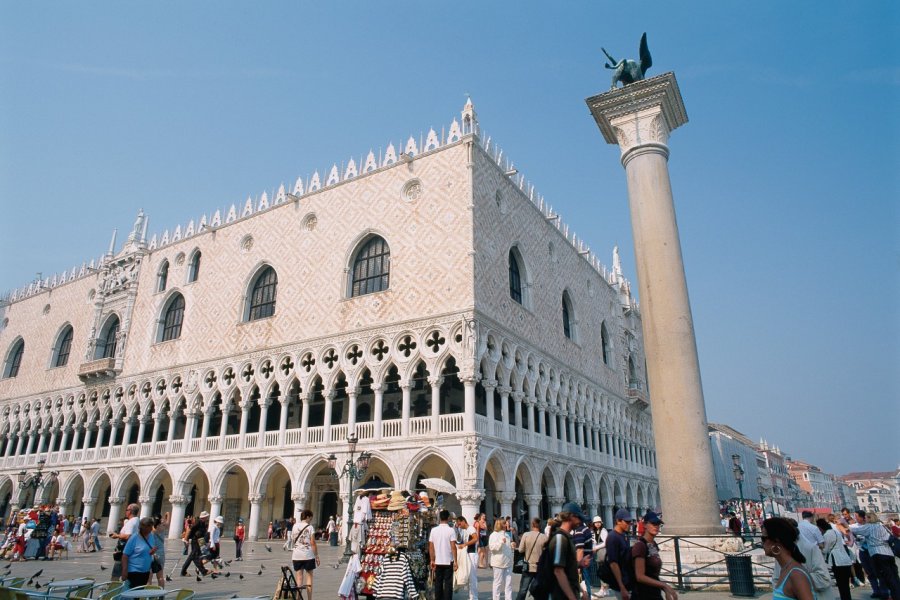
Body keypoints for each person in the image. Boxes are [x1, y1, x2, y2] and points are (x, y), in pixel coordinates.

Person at [850, 512, 900, 600]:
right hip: (888, 553)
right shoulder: (881, 525)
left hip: (877, 553)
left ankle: (890, 595)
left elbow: (854, 530)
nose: (865, 519)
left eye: (866, 518)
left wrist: (843, 524)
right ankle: (896, 593)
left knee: (884, 576)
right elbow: (889, 537)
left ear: (869, 518)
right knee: (894, 575)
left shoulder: (869, 526)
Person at [762, 517, 815, 600]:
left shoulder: (796, 574)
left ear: (777, 541)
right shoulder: (786, 569)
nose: (762, 543)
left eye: (764, 538)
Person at [631, 512, 677, 600]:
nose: (656, 526)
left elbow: (653, 575)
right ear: (645, 525)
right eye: (653, 523)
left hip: (654, 593)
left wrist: (664, 588)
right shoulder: (640, 545)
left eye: (658, 524)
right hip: (642, 594)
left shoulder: (653, 544)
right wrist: (664, 585)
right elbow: (640, 576)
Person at [548, 504, 588, 600]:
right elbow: (558, 571)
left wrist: (578, 563)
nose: (581, 522)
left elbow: (567, 569)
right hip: (559, 595)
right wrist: (572, 597)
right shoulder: (560, 538)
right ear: (571, 517)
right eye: (579, 518)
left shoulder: (567, 537)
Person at [516, 518, 548, 600]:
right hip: (539, 567)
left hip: (528, 566)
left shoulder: (526, 535)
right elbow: (546, 552)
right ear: (540, 526)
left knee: (523, 589)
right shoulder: (544, 537)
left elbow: (520, 549)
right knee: (539, 589)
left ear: (532, 525)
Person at [819, 518, 851, 600]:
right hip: (845, 559)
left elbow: (825, 550)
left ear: (821, 528)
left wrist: (819, 547)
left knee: (841, 584)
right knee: (846, 585)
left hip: (837, 561)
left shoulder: (827, 535)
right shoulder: (836, 532)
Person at [429, 509, 457, 600]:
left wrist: (432, 560)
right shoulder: (451, 530)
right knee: (448, 584)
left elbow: (431, 547)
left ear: (440, 518)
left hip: (438, 560)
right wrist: (456, 561)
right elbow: (453, 547)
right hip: (448, 560)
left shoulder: (434, 530)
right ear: (448, 518)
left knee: (438, 583)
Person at [120, 517, 156, 589]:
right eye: (149, 526)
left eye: (151, 526)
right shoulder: (134, 537)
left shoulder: (151, 536)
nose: (151, 529)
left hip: (145, 571)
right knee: (133, 593)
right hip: (134, 571)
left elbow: (149, 548)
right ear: (143, 527)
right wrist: (124, 570)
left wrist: (152, 551)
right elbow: (125, 555)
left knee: (139, 593)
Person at [291, 509, 319, 600]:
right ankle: (309, 599)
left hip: (296, 555)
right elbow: (313, 543)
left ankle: (298, 598)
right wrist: (317, 556)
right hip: (308, 555)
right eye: (310, 518)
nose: (310, 520)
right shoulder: (310, 527)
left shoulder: (295, 526)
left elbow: (292, 539)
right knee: (309, 578)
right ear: (307, 517)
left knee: (299, 579)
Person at [607, 509, 634, 600]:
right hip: (621, 583)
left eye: (630, 522)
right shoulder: (612, 537)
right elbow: (613, 563)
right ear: (618, 521)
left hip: (627, 580)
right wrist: (621, 586)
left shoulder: (623, 535)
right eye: (626, 522)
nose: (629, 524)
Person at [572, 509, 595, 598]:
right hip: (588, 559)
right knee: (586, 581)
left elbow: (580, 550)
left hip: (583, 560)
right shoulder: (586, 529)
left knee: (583, 582)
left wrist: (578, 565)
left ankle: (587, 596)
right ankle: (588, 596)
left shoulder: (579, 531)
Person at [490, 518, 514, 600]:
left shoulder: (507, 534)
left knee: (509, 584)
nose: (507, 525)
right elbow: (492, 547)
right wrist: (500, 542)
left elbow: (507, 547)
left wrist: (512, 545)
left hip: (508, 562)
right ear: (500, 525)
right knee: (498, 583)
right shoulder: (493, 535)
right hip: (498, 563)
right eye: (504, 523)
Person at [181, 510, 210, 577]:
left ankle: (183, 571)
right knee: (196, 556)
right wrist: (186, 539)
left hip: (199, 541)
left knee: (192, 556)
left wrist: (206, 542)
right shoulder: (198, 522)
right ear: (204, 517)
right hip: (195, 541)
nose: (208, 517)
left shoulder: (203, 523)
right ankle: (203, 571)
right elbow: (190, 529)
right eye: (207, 516)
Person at [457, 516, 479, 600]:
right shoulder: (465, 530)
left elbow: (475, 538)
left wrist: (465, 544)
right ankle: (472, 596)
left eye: (459, 524)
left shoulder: (471, 528)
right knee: (470, 576)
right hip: (469, 553)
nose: (459, 526)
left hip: (472, 554)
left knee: (472, 577)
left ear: (463, 521)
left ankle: (474, 597)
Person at [152, 516, 167, 588]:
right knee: (160, 577)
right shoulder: (163, 529)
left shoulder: (151, 531)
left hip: (152, 554)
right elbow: (167, 523)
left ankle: (147, 595)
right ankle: (161, 594)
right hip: (161, 554)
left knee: (149, 578)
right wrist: (167, 514)